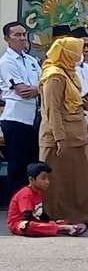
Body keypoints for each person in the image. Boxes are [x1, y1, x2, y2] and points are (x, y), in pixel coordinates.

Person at [38, 37, 88, 226]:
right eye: (76, 51)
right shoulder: (54, 76)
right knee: (58, 180)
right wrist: (59, 138)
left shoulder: (69, 73)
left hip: (77, 136)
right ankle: (57, 215)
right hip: (60, 138)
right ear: (67, 53)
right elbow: (52, 110)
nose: (80, 55)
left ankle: (83, 214)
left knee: (79, 179)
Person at [0, 21, 42, 207]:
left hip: (33, 117)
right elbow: (22, 90)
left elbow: (44, 84)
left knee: (31, 163)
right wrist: (38, 89)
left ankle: (31, 204)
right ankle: (15, 207)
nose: (22, 38)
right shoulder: (6, 62)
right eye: (17, 35)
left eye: (24, 34)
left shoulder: (31, 61)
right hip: (15, 117)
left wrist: (38, 89)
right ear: (7, 39)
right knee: (17, 165)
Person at [6, 163, 86, 237]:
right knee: (28, 226)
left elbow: (40, 213)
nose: (47, 181)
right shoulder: (26, 194)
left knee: (60, 221)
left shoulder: (38, 192)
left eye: (48, 178)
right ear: (31, 180)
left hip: (34, 220)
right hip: (19, 224)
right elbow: (27, 216)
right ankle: (62, 228)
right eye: (43, 178)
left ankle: (59, 228)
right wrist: (44, 223)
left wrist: (49, 221)